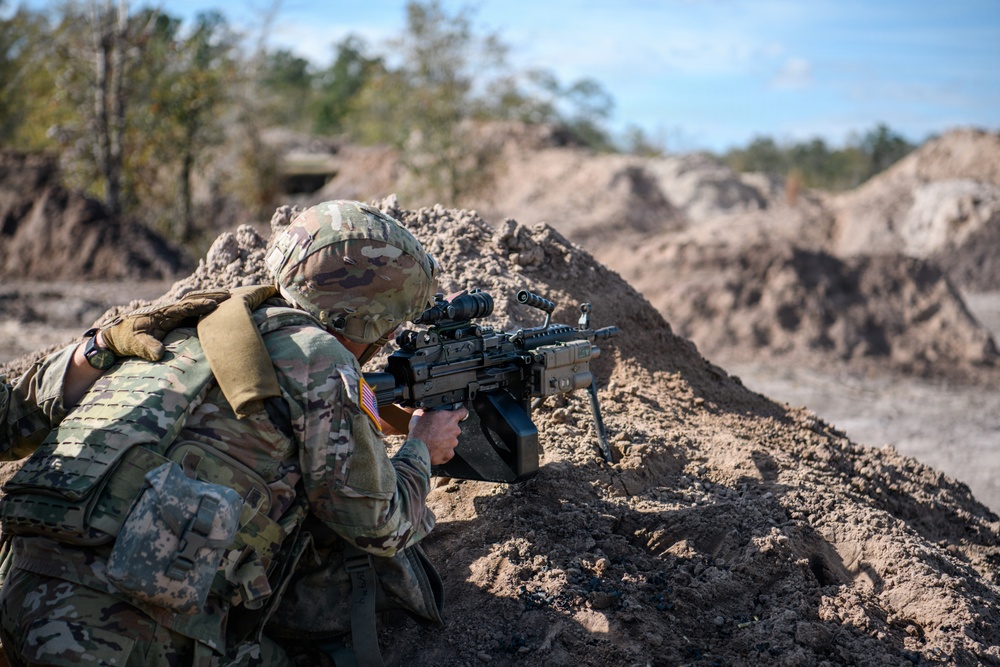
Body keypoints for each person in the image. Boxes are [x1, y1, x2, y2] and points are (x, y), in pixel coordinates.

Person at [0, 200, 466, 667]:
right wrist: (421, 448)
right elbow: (381, 526)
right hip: (118, 635)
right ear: (369, 316)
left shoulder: (188, 322)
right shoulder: (320, 358)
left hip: (16, 588)